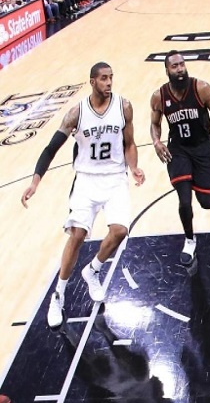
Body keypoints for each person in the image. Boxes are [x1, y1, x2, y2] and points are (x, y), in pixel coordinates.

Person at [21, 62, 145, 328]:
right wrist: (35, 182)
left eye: (111, 78)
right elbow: (50, 148)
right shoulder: (76, 113)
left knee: (120, 230)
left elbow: (129, 143)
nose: (109, 83)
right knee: (77, 235)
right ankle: (58, 295)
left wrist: (133, 166)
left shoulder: (124, 107)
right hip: (86, 181)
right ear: (92, 81)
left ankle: (93, 271)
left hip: (114, 179)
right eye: (103, 78)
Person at [150, 50, 210, 265]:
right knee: (184, 200)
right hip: (178, 150)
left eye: (182, 64)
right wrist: (157, 142)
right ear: (167, 70)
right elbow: (154, 124)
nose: (180, 69)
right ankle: (189, 240)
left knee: (205, 201)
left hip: (202, 148)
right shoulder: (159, 96)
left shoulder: (201, 88)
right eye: (175, 66)